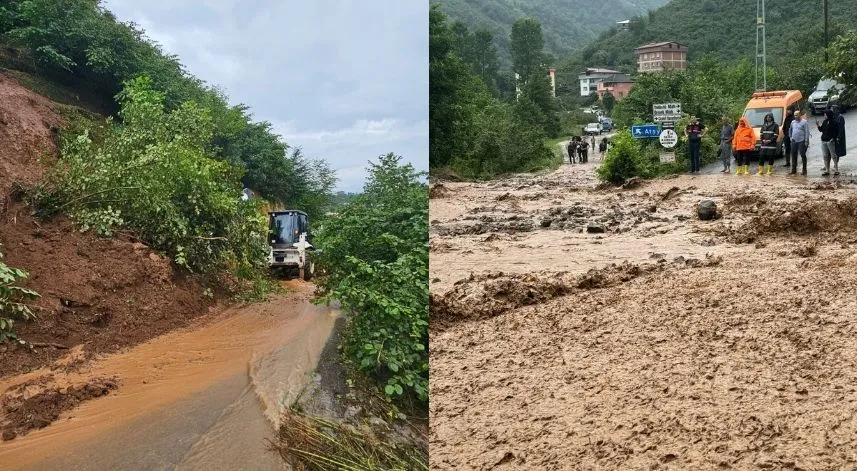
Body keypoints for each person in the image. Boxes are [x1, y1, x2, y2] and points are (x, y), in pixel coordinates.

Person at [816, 109, 840, 176]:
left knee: (833, 156)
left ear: (828, 115)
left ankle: (836, 170)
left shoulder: (834, 122)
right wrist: (817, 125)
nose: (824, 115)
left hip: (830, 141)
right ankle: (827, 170)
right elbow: (821, 130)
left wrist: (833, 139)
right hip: (823, 141)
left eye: (825, 114)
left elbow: (837, 131)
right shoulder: (824, 122)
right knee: (825, 156)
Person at [789, 110, 811, 175]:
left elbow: (807, 132)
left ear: (800, 115)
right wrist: (790, 137)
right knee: (793, 155)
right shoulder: (793, 122)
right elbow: (790, 130)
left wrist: (806, 141)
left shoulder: (804, 122)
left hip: (801, 141)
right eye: (794, 115)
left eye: (796, 115)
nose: (795, 116)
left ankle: (804, 170)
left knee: (803, 155)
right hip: (794, 141)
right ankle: (793, 170)